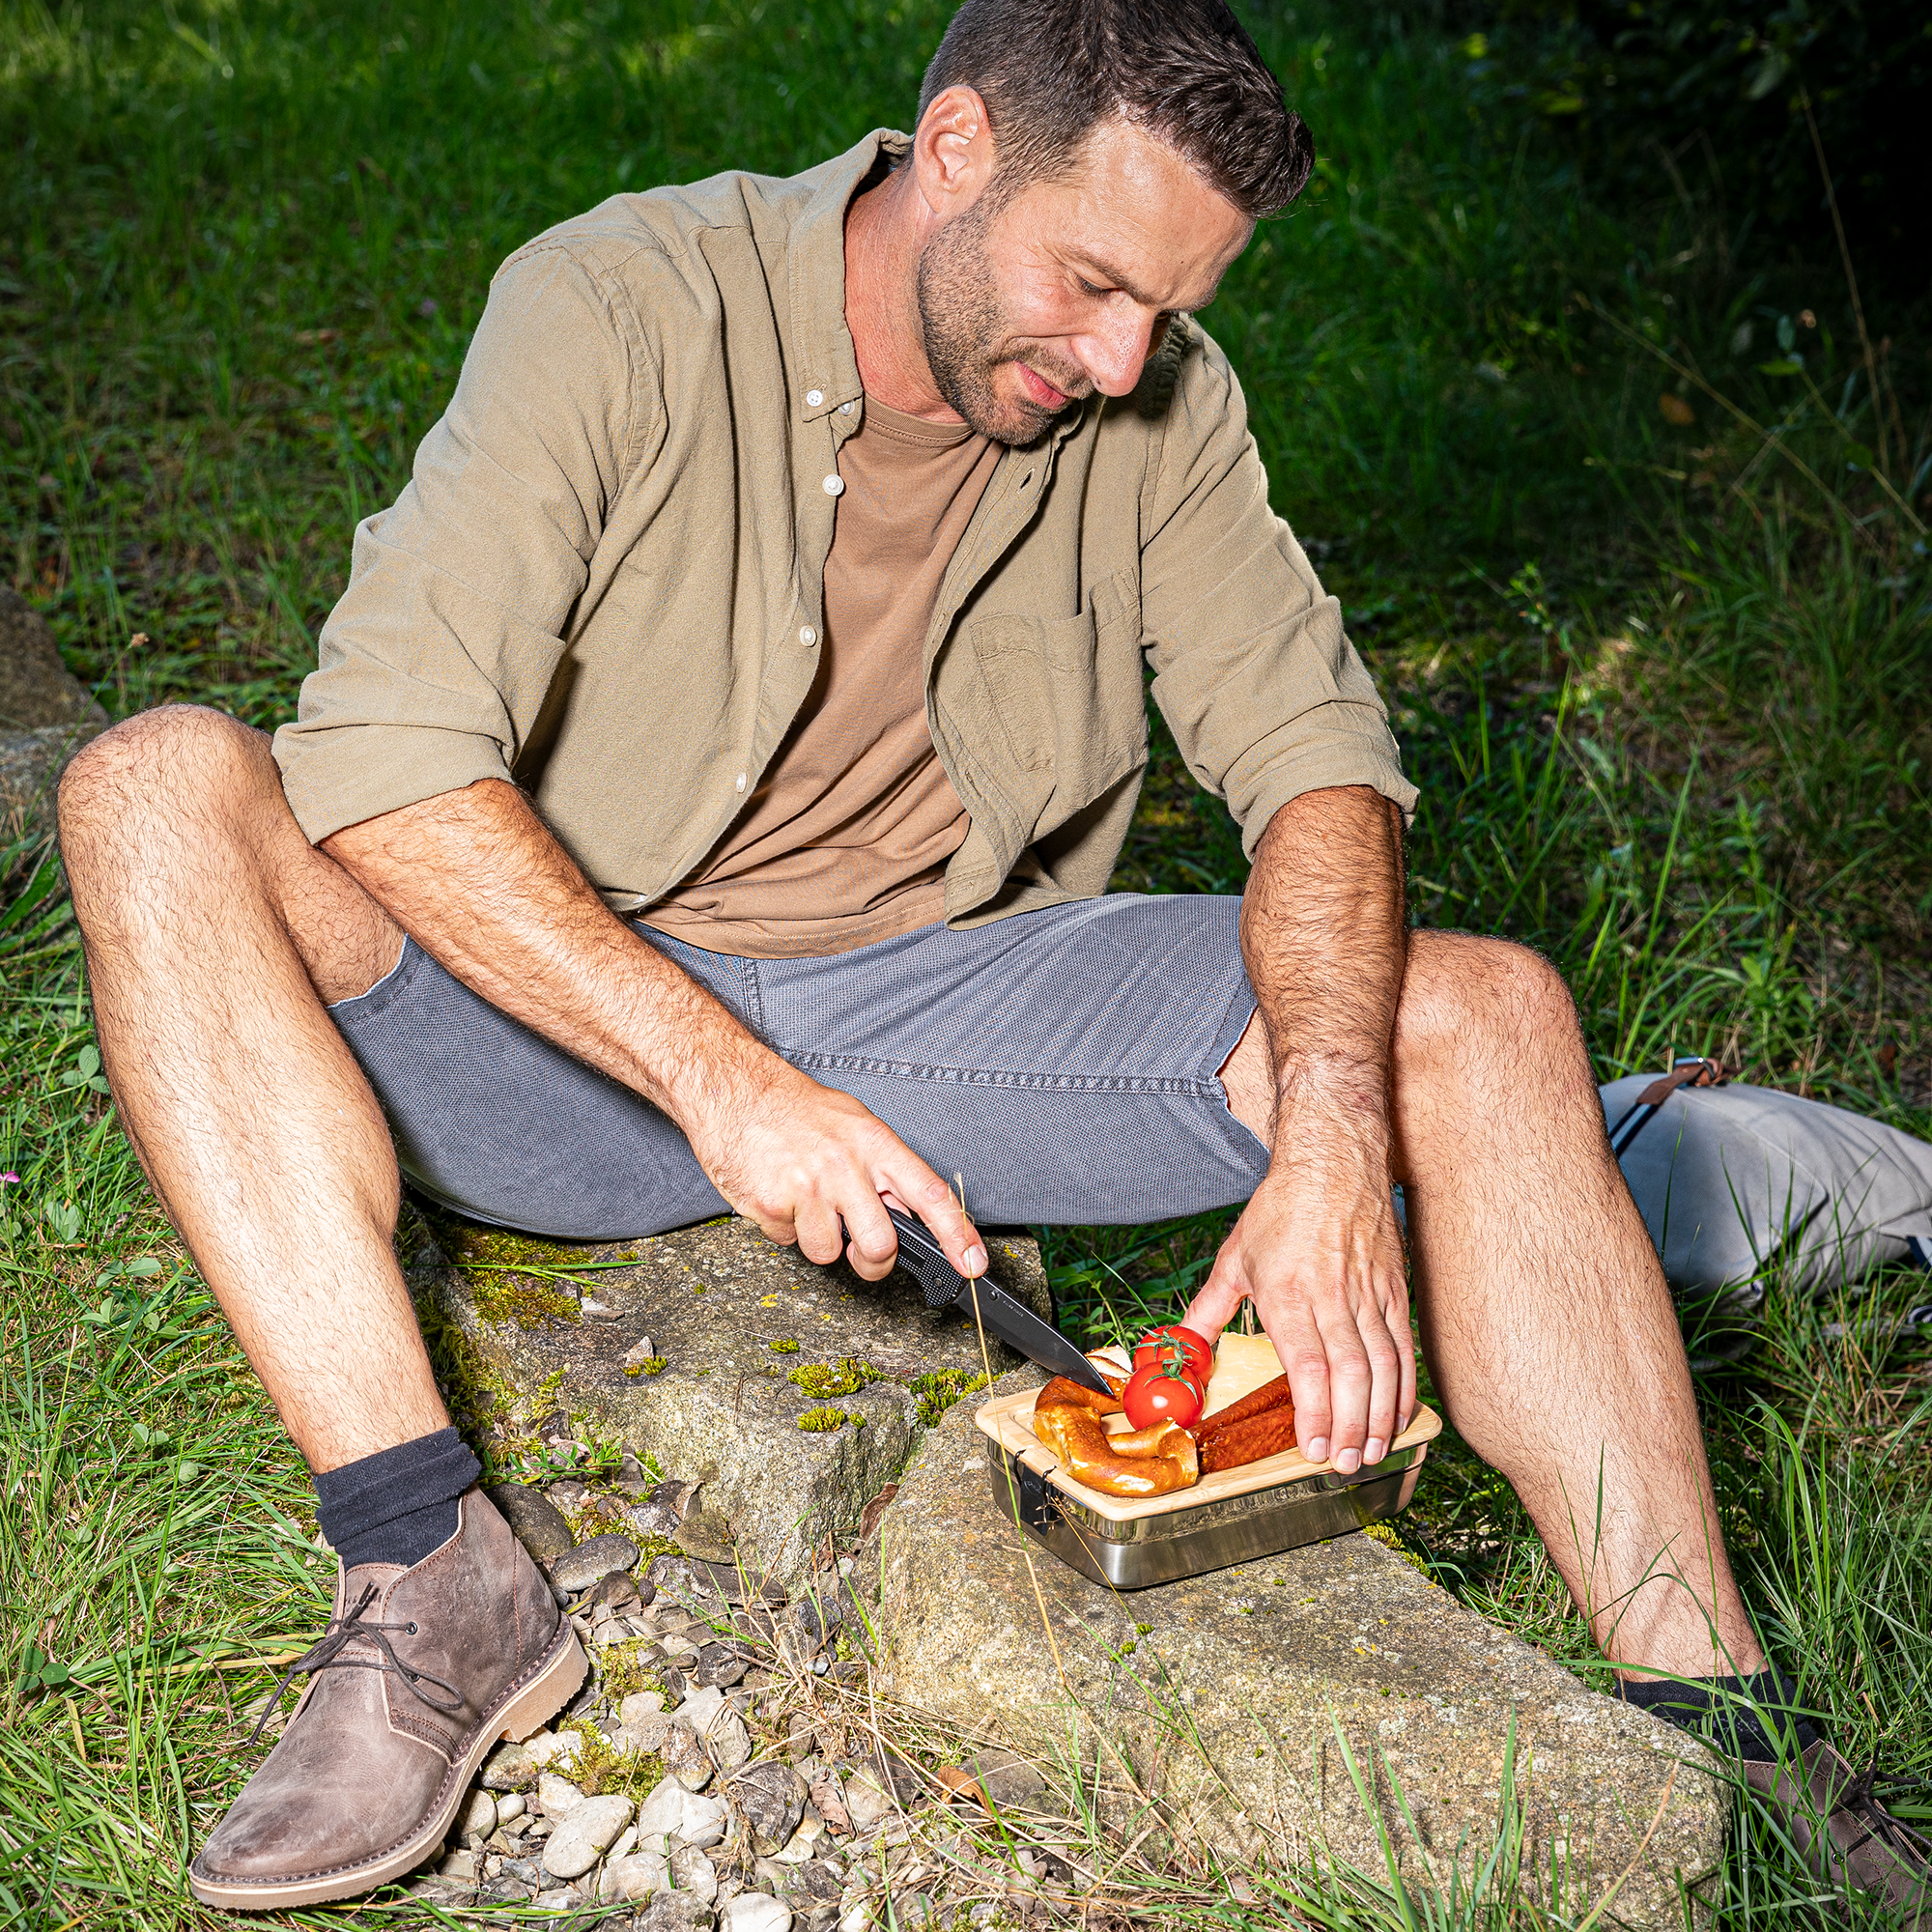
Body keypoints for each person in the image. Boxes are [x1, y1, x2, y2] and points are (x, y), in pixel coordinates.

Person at [56, 0, 1927, 1917]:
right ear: (954, 149)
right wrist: (725, 1080)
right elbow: (382, 758)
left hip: (934, 1019)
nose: (1123, 358)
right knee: (155, 787)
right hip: (563, 1026)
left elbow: (1322, 776)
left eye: (1168, 310)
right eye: (1095, 283)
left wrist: (1332, 1138)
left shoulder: (1156, 395)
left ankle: (1722, 1719)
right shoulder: (622, 299)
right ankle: (424, 1567)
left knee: (1482, 1010)